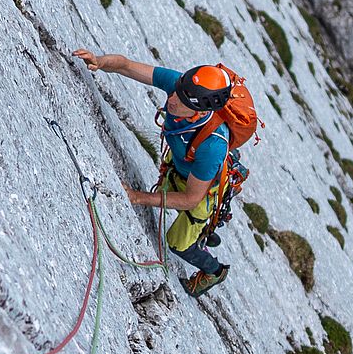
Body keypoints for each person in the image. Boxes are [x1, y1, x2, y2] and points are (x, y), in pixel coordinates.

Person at [73, 48, 233, 297]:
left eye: (181, 103)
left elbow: (192, 199)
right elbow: (126, 65)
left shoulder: (212, 145)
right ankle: (203, 232)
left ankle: (214, 270)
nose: (172, 101)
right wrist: (100, 61)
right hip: (180, 167)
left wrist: (137, 197)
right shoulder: (182, 88)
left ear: (201, 112)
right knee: (168, 195)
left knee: (178, 243)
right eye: (176, 93)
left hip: (201, 191)